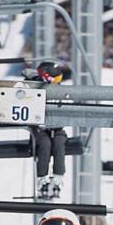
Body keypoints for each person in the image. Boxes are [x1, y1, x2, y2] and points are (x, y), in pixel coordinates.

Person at [27, 61, 68, 200]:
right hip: (40, 128)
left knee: (59, 143)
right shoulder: (33, 87)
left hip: (56, 127)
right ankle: (42, 178)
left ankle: (58, 177)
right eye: (55, 80)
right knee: (44, 145)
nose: (57, 83)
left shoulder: (59, 91)